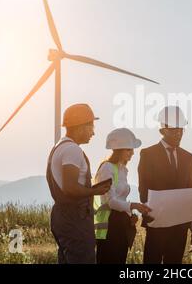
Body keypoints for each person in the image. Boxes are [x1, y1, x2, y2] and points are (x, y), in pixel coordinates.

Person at [46, 103, 111, 264]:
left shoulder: (59, 147)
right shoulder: (72, 150)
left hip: (63, 216)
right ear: (80, 126)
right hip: (75, 218)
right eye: (91, 126)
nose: (93, 133)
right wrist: (95, 191)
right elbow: (70, 188)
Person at [138, 105, 192, 264]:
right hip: (157, 223)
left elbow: (190, 195)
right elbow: (143, 190)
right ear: (162, 130)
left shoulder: (188, 157)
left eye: (181, 130)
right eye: (173, 130)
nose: (178, 134)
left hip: (180, 226)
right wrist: (153, 215)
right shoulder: (147, 154)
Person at [94, 128, 152, 264]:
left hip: (121, 225)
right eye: (129, 149)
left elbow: (121, 200)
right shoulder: (107, 168)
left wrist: (129, 214)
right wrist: (133, 206)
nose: (132, 153)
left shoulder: (122, 170)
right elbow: (111, 202)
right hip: (110, 228)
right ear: (119, 149)